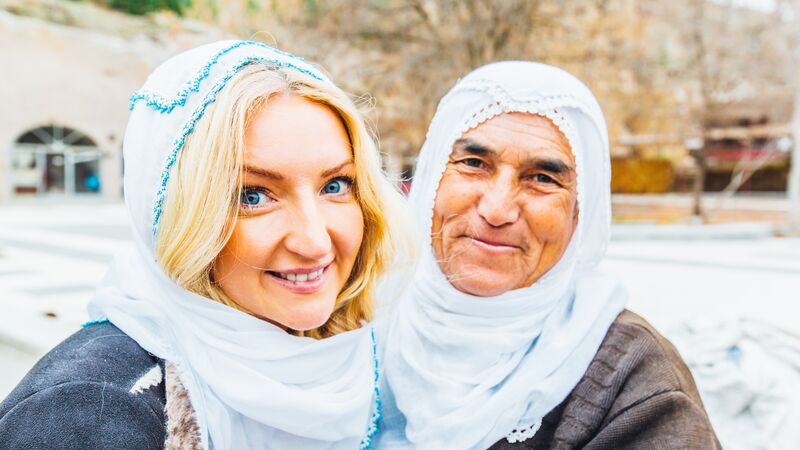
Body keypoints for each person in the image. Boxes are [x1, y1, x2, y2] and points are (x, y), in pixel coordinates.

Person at [0, 40, 408, 449]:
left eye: (335, 186)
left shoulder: (368, 360)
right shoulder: (87, 416)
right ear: (177, 214)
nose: (315, 242)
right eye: (252, 196)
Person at [377, 62, 721, 449]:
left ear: (579, 214)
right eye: (473, 164)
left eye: (542, 178)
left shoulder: (637, 384)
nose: (497, 209)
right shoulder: (359, 323)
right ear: (430, 180)